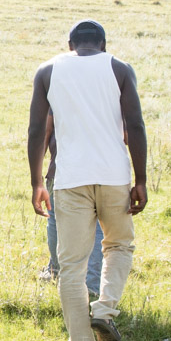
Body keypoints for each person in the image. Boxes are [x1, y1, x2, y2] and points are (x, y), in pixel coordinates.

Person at [27, 19, 147, 341]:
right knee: (119, 245)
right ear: (103, 44)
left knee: (72, 268)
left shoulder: (48, 71)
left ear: (70, 45)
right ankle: (105, 309)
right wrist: (140, 179)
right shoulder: (119, 69)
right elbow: (135, 125)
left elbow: (36, 128)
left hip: (69, 178)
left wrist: (36, 180)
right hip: (113, 175)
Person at [41, 109, 104, 297]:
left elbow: (45, 129)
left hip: (62, 168)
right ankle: (92, 283)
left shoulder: (61, 83)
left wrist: (38, 170)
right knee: (98, 225)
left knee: (55, 220)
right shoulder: (109, 85)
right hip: (101, 170)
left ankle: (57, 270)